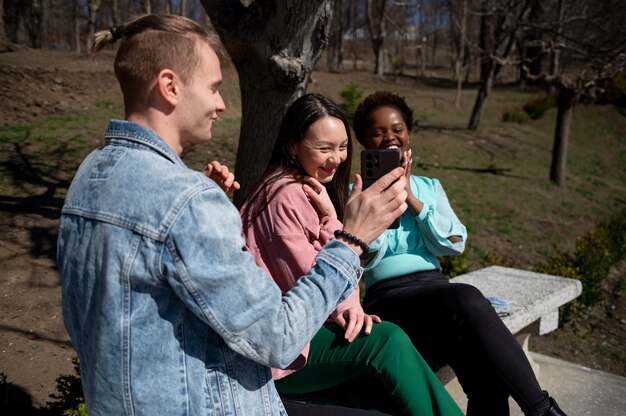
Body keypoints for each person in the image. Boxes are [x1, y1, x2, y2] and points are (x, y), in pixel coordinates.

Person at [56, 15, 409, 416]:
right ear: (170, 87)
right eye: (213, 88)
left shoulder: (91, 174)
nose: (221, 104)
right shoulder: (186, 200)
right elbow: (278, 336)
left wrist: (208, 213)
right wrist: (349, 240)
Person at [239, 93, 464, 416]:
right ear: (292, 146)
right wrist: (336, 226)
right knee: (388, 341)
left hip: (292, 334)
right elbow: (318, 286)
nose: (337, 158)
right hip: (277, 351)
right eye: (324, 148)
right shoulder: (286, 195)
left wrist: (332, 217)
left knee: (384, 386)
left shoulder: (300, 187)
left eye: (342, 147)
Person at [352, 91, 568, 416]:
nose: (389, 138)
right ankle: (543, 410)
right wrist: (382, 202)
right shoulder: (358, 193)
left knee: (485, 374)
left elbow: (454, 242)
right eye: (378, 132)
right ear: (364, 141)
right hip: (390, 300)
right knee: (466, 298)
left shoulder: (429, 187)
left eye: (396, 129)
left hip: (437, 294)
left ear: (408, 132)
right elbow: (362, 257)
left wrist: (411, 198)